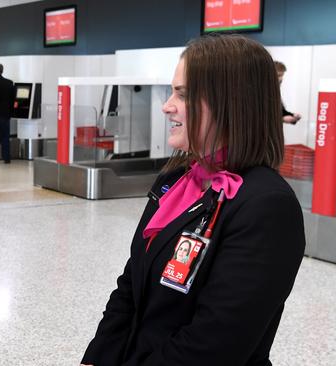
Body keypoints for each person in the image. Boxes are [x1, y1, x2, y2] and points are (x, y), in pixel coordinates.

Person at [81, 34, 305, 366]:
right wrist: (97, 357)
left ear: (231, 102)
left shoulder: (266, 206)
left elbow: (215, 343)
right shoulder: (177, 179)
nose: (166, 105)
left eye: (182, 94)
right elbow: (131, 284)